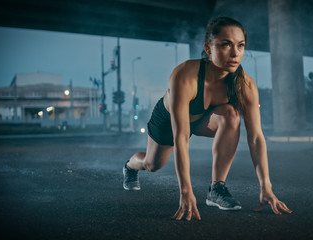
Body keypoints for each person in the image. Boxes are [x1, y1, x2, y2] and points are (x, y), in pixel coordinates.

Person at [123, 16, 292, 221]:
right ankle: (130, 166)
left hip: (204, 119)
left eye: (240, 45)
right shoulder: (185, 75)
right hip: (168, 119)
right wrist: (186, 191)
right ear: (208, 47)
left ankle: (216, 189)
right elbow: (181, 138)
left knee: (231, 115)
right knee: (153, 164)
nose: (235, 53)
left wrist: (266, 186)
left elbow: (256, 138)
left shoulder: (245, 85)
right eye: (225, 45)